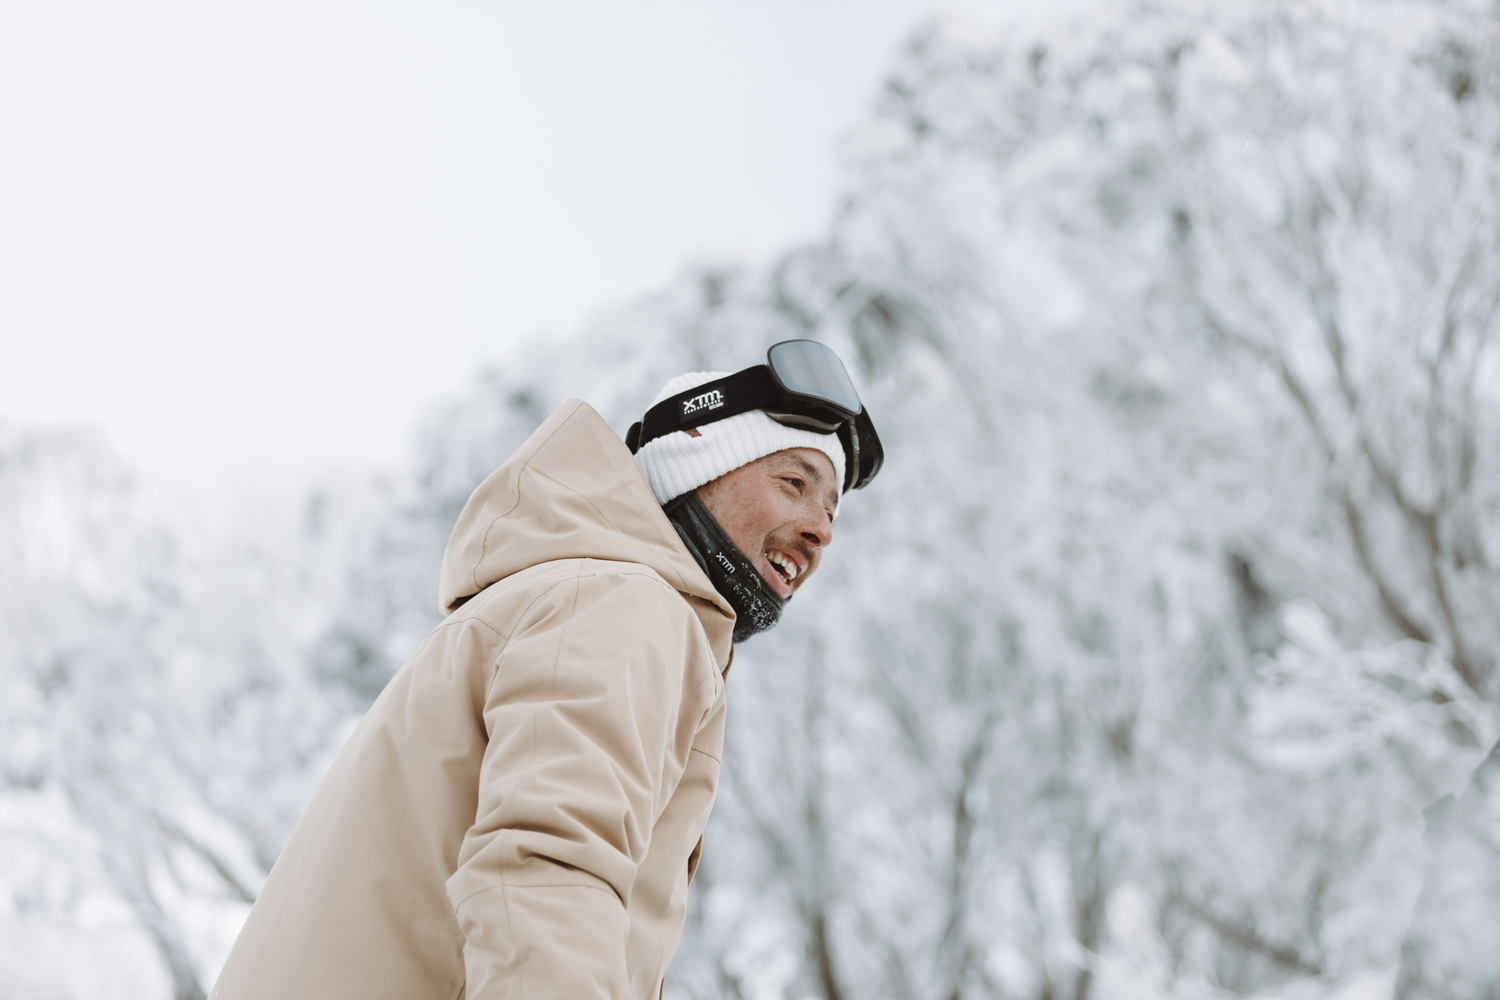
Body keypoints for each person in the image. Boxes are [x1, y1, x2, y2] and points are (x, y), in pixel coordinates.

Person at [210, 341, 882, 1000]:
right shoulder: (620, 601)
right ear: (693, 461)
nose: (820, 529)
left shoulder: (572, 593)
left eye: (831, 511)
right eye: (795, 483)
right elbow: (547, 870)